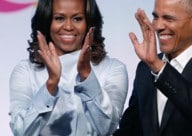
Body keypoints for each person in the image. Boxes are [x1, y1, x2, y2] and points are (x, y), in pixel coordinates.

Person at [113, 0, 192, 136]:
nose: (158, 26)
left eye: (168, 18)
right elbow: (130, 129)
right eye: (156, 17)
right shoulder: (145, 68)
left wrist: (158, 67)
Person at [9, 0, 128, 135]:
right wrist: (51, 84)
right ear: (46, 21)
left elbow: (107, 128)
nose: (68, 26)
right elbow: (22, 131)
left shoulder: (113, 68)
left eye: (77, 19)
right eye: (59, 18)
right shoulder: (25, 70)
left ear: (89, 22)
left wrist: (86, 75)